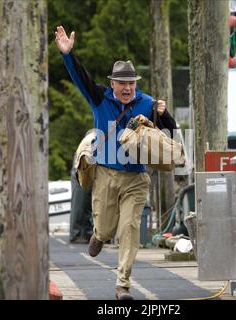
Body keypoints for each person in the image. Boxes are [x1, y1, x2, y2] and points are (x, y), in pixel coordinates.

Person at [54, 26, 177, 300]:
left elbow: (169, 134)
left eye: (131, 83)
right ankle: (98, 233)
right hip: (106, 175)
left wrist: (165, 114)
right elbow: (80, 78)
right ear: (113, 84)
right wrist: (68, 55)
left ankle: (123, 284)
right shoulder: (100, 98)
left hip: (136, 178)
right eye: (122, 84)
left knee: (129, 229)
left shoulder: (147, 103)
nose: (127, 88)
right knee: (108, 229)